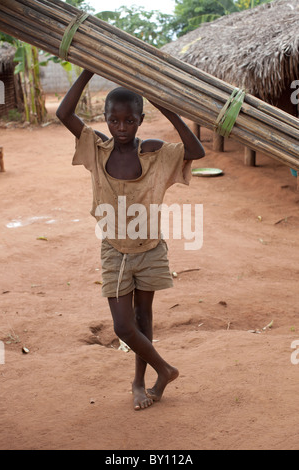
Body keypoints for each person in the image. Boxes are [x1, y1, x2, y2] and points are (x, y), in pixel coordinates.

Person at [56, 69, 205, 411]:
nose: (121, 128)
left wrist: (165, 105)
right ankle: (165, 370)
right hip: (114, 249)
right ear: (105, 120)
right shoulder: (96, 148)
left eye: (129, 121)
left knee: (144, 319)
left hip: (151, 249)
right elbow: (64, 114)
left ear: (140, 120)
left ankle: (140, 382)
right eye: (114, 120)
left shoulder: (154, 154)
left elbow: (195, 151)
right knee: (123, 326)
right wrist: (88, 69)